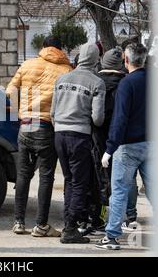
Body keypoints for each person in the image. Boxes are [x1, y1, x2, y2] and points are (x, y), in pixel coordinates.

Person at [6, 36, 72, 237]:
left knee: (24, 175)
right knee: (46, 177)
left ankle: (19, 222)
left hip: (26, 125)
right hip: (47, 127)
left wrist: (20, 113)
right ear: (60, 49)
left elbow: (10, 91)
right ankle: (41, 225)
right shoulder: (67, 70)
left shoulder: (27, 64)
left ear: (43, 47)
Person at [96, 43, 150, 250]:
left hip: (127, 146)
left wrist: (109, 149)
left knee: (119, 191)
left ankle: (112, 237)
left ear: (126, 61)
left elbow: (120, 119)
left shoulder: (127, 84)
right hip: (152, 144)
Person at [51, 42, 106, 244]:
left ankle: (69, 224)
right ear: (96, 59)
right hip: (79, 137)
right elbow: (98, 118)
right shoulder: (96, 82)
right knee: (80, 183)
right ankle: (71, 228)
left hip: (59, 135)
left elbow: (52, 113)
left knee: (69, 181)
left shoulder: (61, 79)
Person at [83, 46, 127, 236]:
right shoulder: (126, 83)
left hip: (95, 137)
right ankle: (123, 216)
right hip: (120, 140)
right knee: (120, 181)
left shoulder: (94, 81)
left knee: (95, 178)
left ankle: (94, 218)